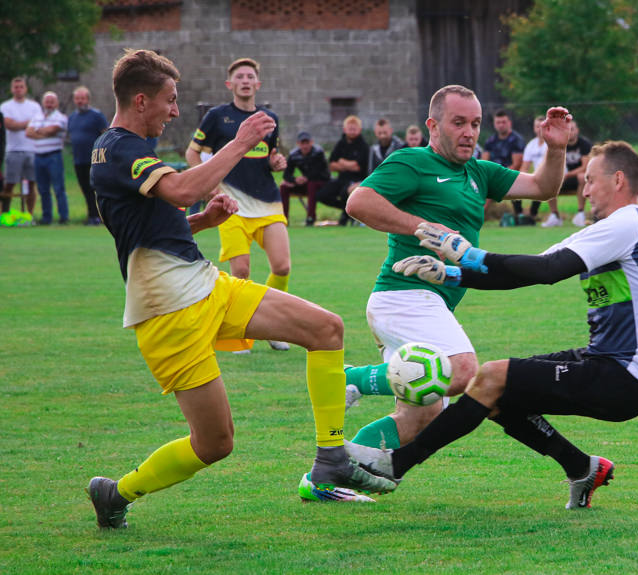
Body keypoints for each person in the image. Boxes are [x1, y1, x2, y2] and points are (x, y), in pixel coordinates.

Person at [85, 49, 396, 529]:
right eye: (170, 101)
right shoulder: (119, 147)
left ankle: (330, 460)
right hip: (168, 313)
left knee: (326, 328)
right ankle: (116, 493)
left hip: (206, 285)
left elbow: (149, 223)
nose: (174, 110)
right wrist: (239, 140)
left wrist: (202, 221)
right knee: (215, 444)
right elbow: (182, 189)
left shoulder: (127, 150)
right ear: (141, 99)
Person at [345, 141, 638, 510]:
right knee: (492, 392)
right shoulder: (608, 229)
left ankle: (395, 465)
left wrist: (467, 253)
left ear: (618, 180)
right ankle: (582, 467)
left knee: (490, 377)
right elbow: (529, 270)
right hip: (611, 363)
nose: (583, 191)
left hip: (629, 374)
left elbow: (548, 272)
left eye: (589, 181)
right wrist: (452, 273)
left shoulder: (627, 223)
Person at [341, 84, 571, 451]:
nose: (469, 133)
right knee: (462, 370)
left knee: (421, 418)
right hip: (405, 295)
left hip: (432, 302)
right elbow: (358, 202)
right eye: (458, 122)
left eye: (475, 124)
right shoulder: (412, 162)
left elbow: (543, 187)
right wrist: (423, 227)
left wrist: (556, 148)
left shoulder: (480, 172)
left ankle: (328, 475)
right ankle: (350, 379)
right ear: (432, 125)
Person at [185, 58, 292, 353]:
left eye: (250, 77)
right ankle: (234, 336)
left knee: (282, 267)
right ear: (229, 84)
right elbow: (192, 155)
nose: (245, 81)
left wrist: (276, 162)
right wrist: (210, 187)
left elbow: (269, 156)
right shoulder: (217, 117)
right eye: (239, 77)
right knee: (241, 272)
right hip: (231, 207)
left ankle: (273, 326)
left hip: (268, 203)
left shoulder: (268, 118)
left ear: (257, 84)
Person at [316, 115, 369, 226]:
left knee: (345, 192)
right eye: (350, 129)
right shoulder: (341, 144)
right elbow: (331, 166)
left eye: (354, 129)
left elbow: (357, 167)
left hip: (357, 180)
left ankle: (345, 218)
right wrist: (348, 164)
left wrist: (341, 162)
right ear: (344, 129)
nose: (352, 131)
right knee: (321, 195)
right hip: (341, 178)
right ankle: (347, 210)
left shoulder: (363, 145)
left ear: (359, 130)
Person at [26, 91, 69, 225]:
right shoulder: (37, 116)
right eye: (47, 101)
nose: (49, 104)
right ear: (43, 103)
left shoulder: (61, 117)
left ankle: (63, 217)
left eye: (52, 101)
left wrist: (38, 131)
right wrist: (43, 133)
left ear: (56, 103)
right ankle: (46, 218)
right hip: (38, 156)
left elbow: (52, 130)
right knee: (43, 189)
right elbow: (28, 132)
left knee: (58, 188)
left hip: (53, 155)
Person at [68, 86, 108, 225]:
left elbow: (106, 134)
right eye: (77, 98)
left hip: (94, 160)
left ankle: (101, 217)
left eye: (82, 98)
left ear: (88, 99)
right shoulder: (72, 117)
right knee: (86, 190)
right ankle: (91, 216)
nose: (80, 101)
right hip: (79, 160)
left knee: (96, 190)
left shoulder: (96, 115)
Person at [1, 77, 41, 215]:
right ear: (12, 89)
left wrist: (20, 124)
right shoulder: (5, 107)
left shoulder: (34, 106)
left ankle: (29, 215)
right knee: (9, 184)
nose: (18, 89)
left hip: (32, 150)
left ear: (26, 88)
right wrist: (28, 123)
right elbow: (9, 124)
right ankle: (5, 213)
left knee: (31, 184)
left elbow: (38, 125)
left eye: (21, 86)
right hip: (13, 151)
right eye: (16, 87)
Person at [544, 120, 593, 227]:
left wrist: (568, 174)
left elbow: (585, 167)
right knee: (549, 180)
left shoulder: (584, 144)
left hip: (577, 178)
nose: (570, 132)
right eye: (567, 129)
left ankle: (580, 213)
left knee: (582, 177)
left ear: (577, 130)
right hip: (562, 177)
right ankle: (555, 215)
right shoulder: (558, 144)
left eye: (572, 129)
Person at [482, 109, 527, 223]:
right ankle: (475, 216)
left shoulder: (517, 140)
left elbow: (517, 164)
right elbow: (483, 161)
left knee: (491, 188)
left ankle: (478, 217)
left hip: (509, 174)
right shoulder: (490, 141)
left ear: (509, 123)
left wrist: (498, 176)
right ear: (494, 124)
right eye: (498, 122)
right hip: (491, 174)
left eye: (503, 122)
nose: (501, 125)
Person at [280, 131, 330, 226]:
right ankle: (284, 219)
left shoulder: (318, 153)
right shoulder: (294, 155)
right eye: (303, 143)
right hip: (306, 183)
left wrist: (306, 178)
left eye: (307, 143)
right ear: (298, 144)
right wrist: (294, 180)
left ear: (311, 142)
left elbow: (322, 173)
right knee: (284, 186)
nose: (305, 146)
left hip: (321, 184)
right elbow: (286, 175)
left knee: (312, 184)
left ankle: (310, 218)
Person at [521, 115, 548, 224]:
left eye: (542, 126)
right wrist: (518, 178)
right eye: (537, 126)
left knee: (540, 183)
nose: (539, 129)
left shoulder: (551, 143)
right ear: (534, 128)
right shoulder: (531, 145)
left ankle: (532, 214)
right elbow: (525, 167)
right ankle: (519, 215)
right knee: (512, 182)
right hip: (536, 176)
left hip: (549, 176)